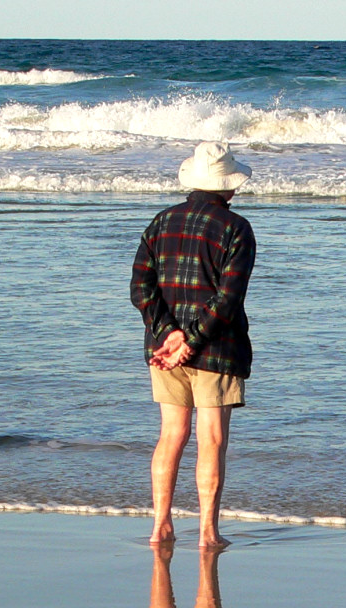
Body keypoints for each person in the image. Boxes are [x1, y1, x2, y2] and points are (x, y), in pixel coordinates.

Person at [131, 141, 256, 548]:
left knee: (171, 434)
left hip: (164, 350)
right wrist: (192, 340)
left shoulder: (161, 222)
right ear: (229, 186)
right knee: (212, 439)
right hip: (216, 348)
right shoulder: (236, 228)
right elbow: (227, 298)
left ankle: (160, 526)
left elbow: (140, 287)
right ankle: (207, 532)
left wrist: (169, 334)